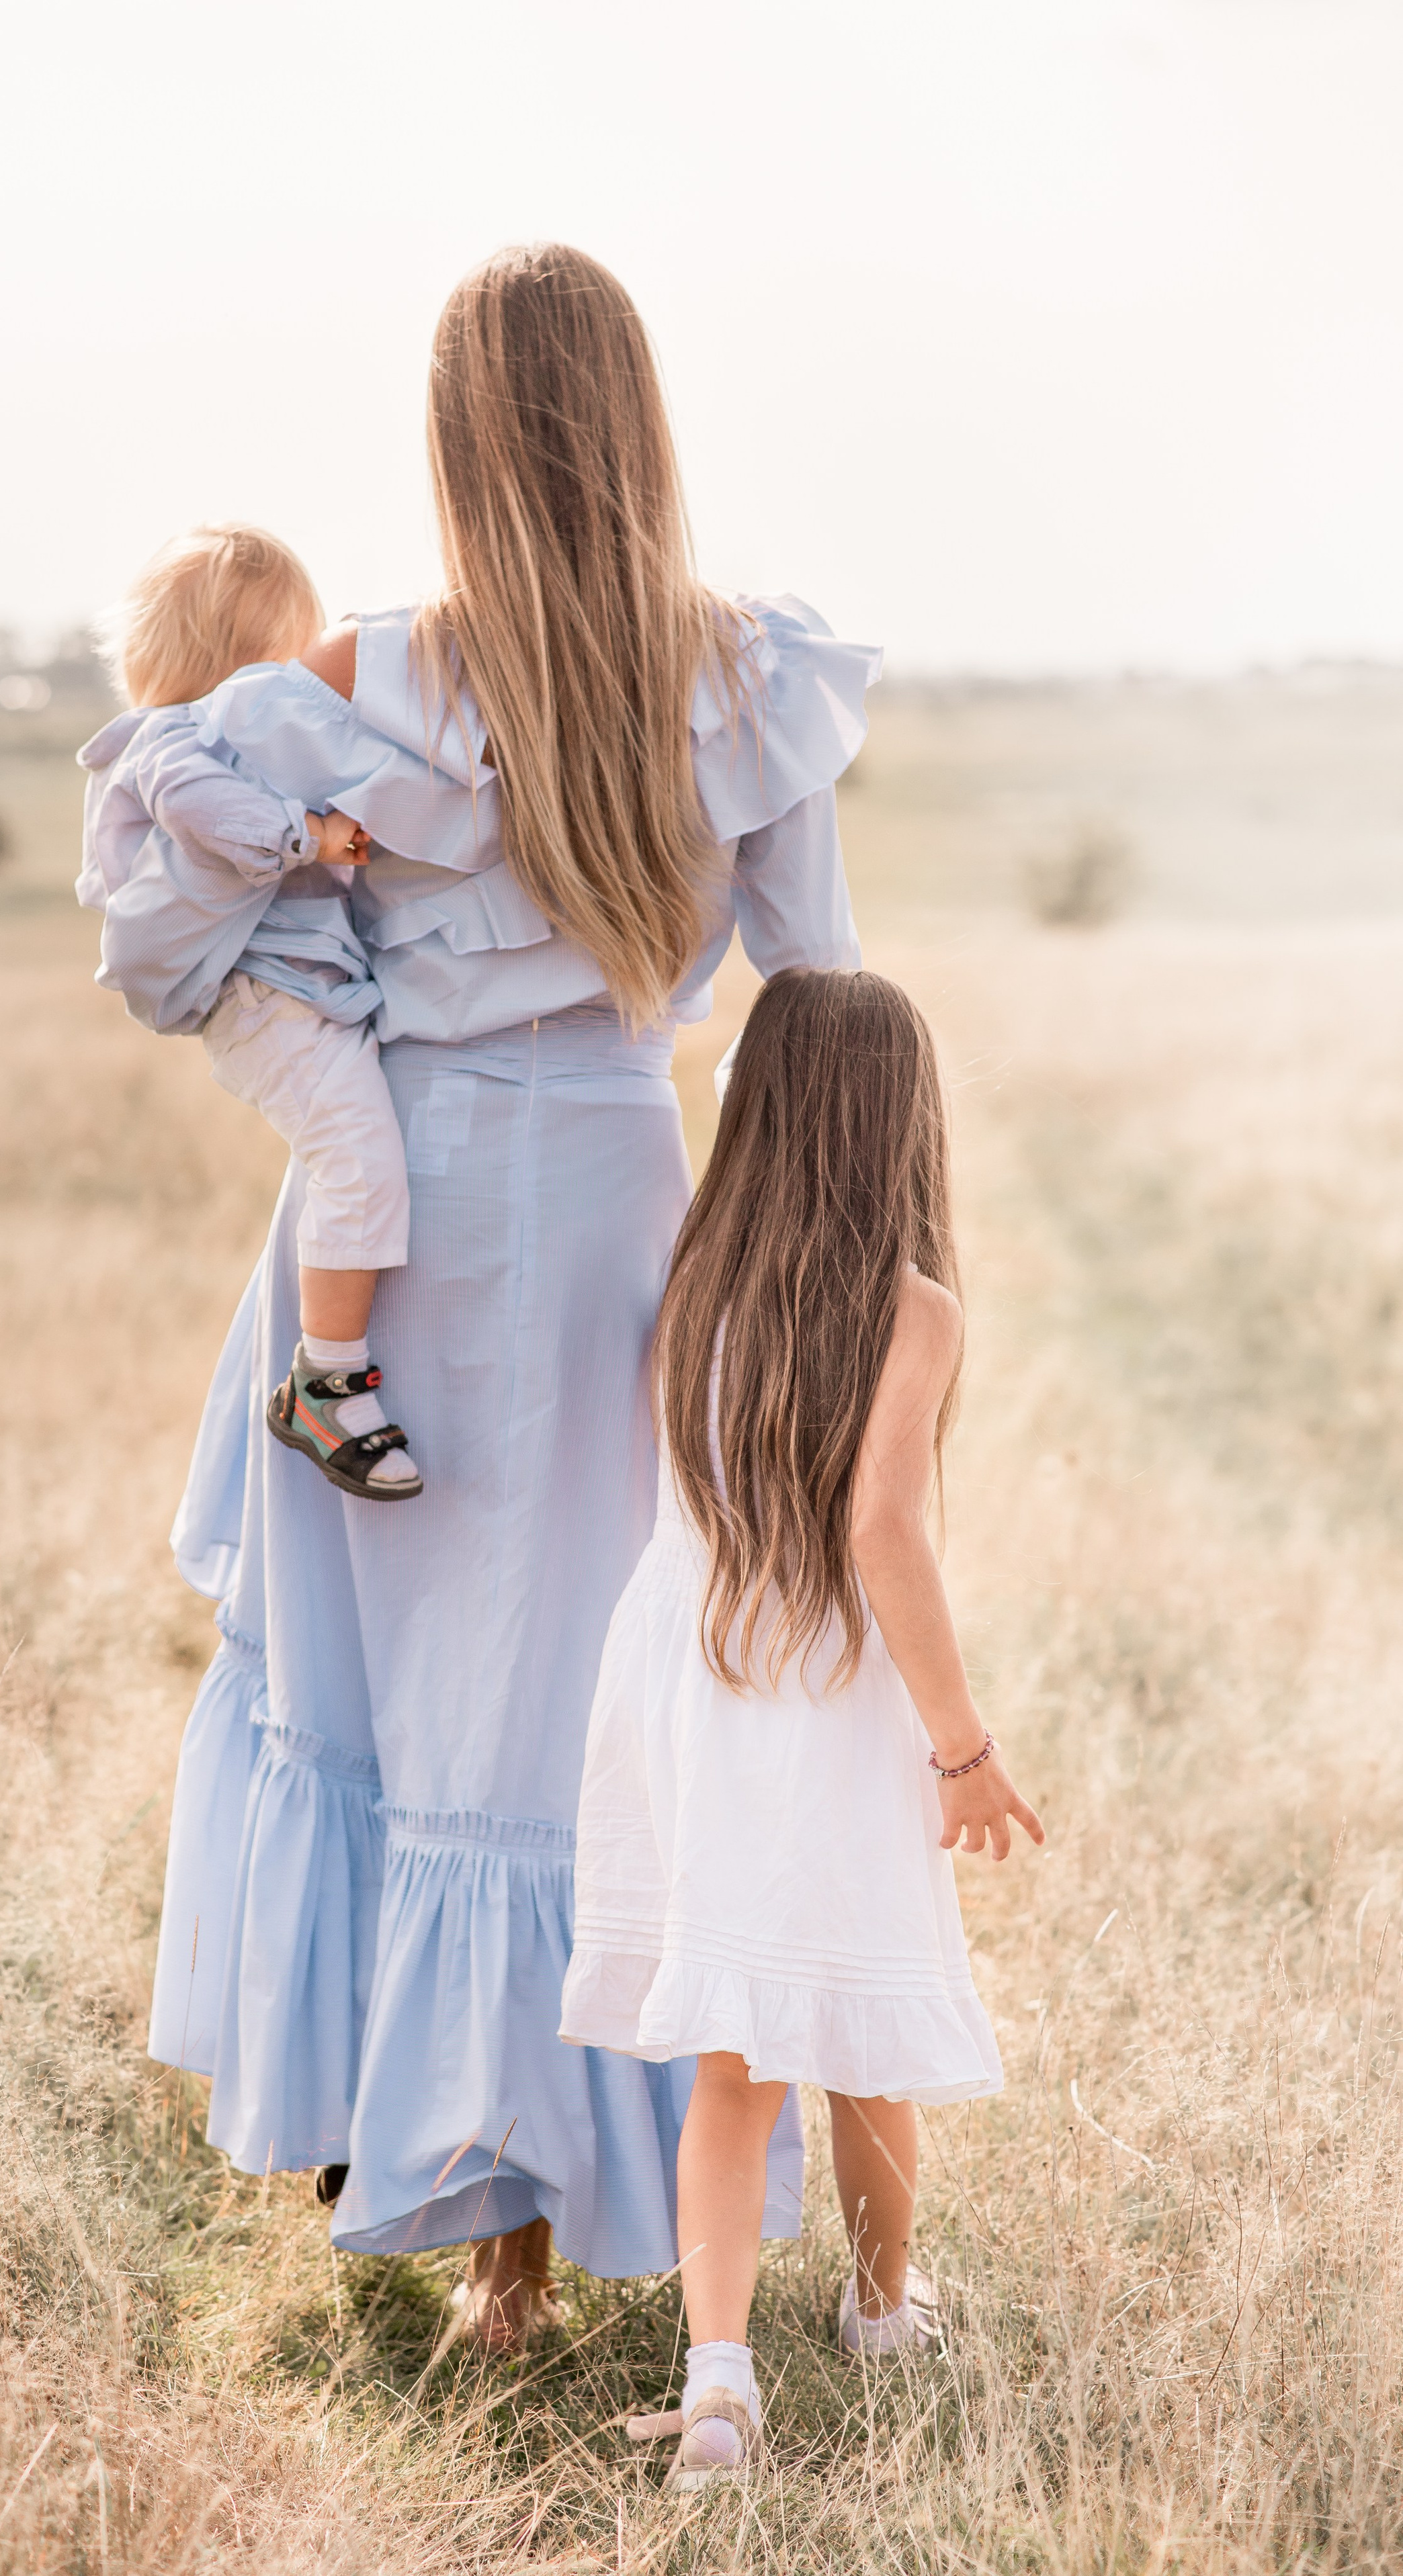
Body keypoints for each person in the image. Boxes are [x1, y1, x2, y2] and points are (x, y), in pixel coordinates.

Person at [81, 243, 881, 2348]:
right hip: (629, 1207)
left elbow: (155, 920)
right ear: (641, 423)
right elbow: (814, 990)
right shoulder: (750, 682)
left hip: (402, 1222)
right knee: (581, 1720)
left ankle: (476, 2234)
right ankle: (542, 2227)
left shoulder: (355, 678)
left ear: (447, 441)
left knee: (391, 1709)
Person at [561, 967, 1044, 2486]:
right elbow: (882, 1528)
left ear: (762, 1107)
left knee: (730, 2054)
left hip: (693, 1673)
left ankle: (717, 2383)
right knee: (858, 2016)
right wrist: (959, 1742)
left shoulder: (695, 1266)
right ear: (900, 1121)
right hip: (829, 1691)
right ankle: (882, 2312)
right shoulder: (911, 1307)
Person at [78, 523, 421, 1499]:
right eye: (286, 660)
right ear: (239, 667)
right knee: (358, 1159)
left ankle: (333, 1359)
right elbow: (205, 811)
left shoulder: (213, 738)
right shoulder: (174, 742)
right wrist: (308, 835)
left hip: (295, 992)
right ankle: (328, 1379)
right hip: (263, 999)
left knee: (353, 1153)